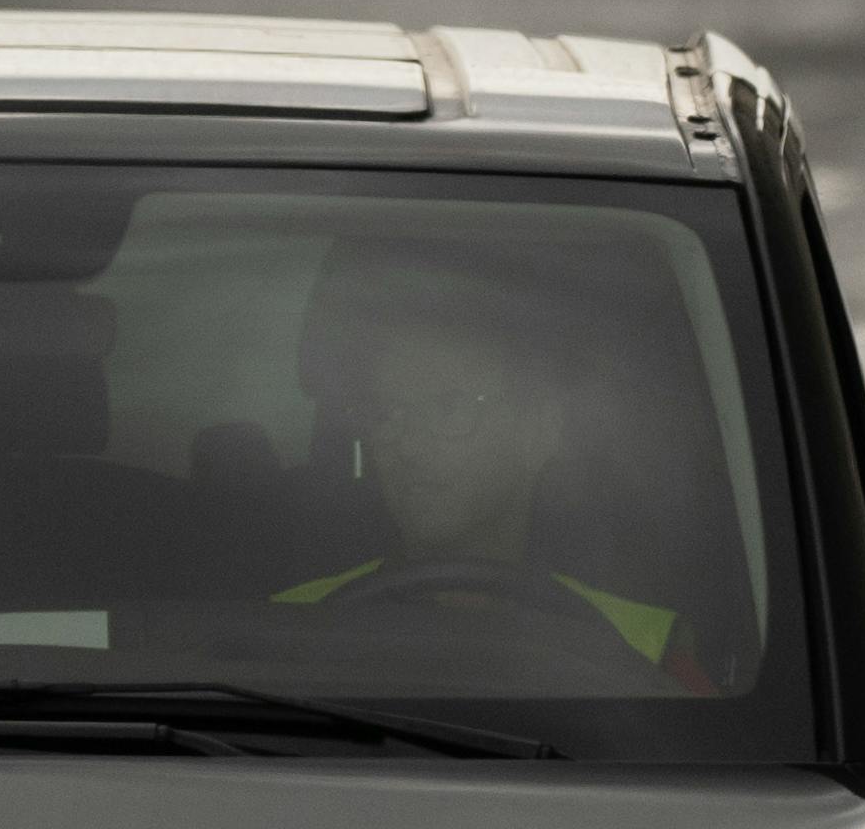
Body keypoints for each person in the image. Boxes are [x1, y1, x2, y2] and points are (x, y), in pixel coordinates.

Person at [269, 245, 690, 675]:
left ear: (538, 431)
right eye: (386, 411)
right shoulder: (288, 625)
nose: (408, 447)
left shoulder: (641, 648)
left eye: (448, 407)